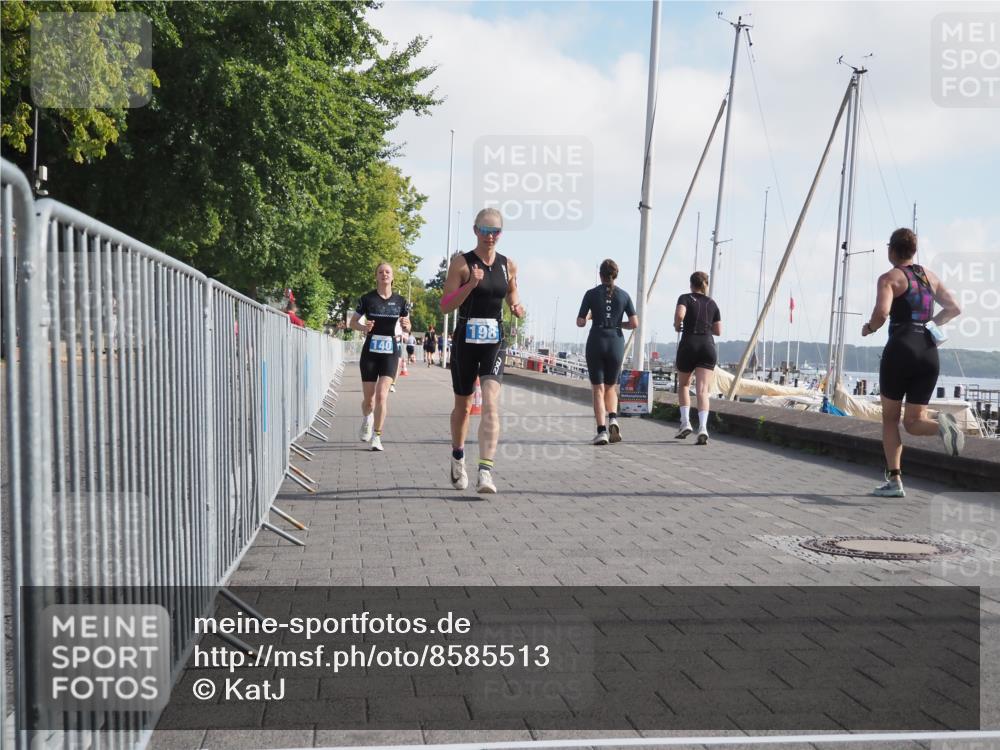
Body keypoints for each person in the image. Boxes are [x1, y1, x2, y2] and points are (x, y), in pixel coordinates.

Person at [861, 227, 963, 498]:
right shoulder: (930, 277)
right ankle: (941, 423)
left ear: (891, 250)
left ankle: (895, 483)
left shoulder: (889, 278)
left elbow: (882, 312)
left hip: (901, 349)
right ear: (913, 250)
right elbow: (955, 308)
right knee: (915, 422)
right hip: (929, 351)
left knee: (891, 420)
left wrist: (869, 328)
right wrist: (931, 324)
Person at [440, 208, 525, 493]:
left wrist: (515, 305)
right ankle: (457, 456)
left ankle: (485, 471)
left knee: (490, 403)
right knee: (463, 408)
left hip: (494, 341)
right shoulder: (461, 264)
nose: (490, 237)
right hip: (466, 339)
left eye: (496, 232)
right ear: (475, 231)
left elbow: (511, 290)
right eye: (485, 231)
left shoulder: (508, 264)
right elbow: (445, 305)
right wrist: (472, 284)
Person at [349, 263, 411, 451]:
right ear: (376, 276)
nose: (384, 274)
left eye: (388, 272)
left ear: (392, 277)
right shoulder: (367, 299)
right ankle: (367, 418)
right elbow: (352, 323)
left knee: (382, 395)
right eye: (381, 272)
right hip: (370, 352)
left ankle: (377, 436)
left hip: (390, 352)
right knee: (369, 400)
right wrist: (363, 327)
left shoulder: (401, 301)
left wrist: (407, 324)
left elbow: (408, 327)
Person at [576, 259, 638, 445]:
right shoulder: (624, 295)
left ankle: (602, 431)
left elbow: (580, 322)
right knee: (611, 386)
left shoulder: (591, 294)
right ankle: (613, 418)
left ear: (600, 275)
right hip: (616, 341)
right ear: (615, 275)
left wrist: (591, 315)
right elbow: (635, 323)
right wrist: (619, 324)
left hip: (597, 339)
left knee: (598, 388)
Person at [673, 271, 722, 445]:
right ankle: (703, 427)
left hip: (689, 344)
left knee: (684, 385)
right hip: (707, 346)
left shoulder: (685, 298)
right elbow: (718, 331)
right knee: (702, 390)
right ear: (705, 284)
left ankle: (685, 422)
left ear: (691, 284)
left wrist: (677, 325)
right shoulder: (712, 303)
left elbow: (680, 315)